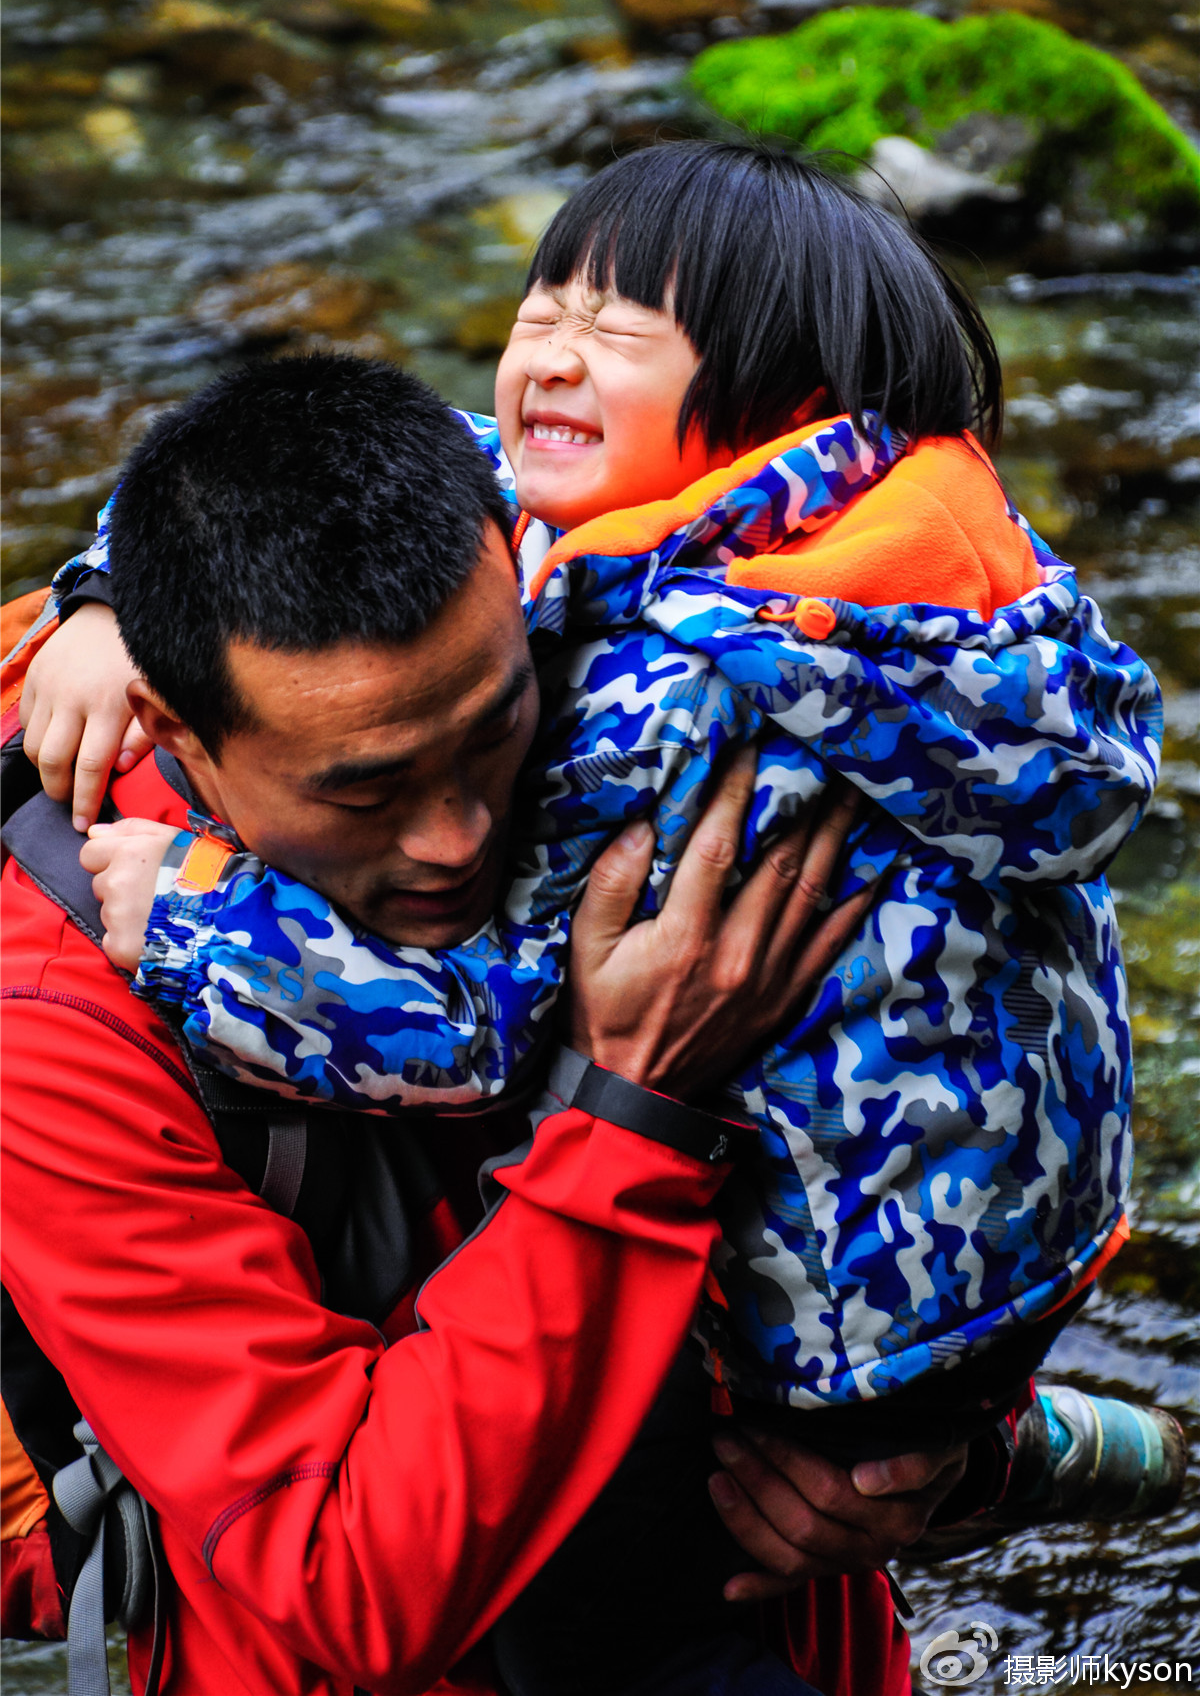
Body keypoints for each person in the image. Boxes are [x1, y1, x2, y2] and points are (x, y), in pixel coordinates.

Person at [1, 364, 959, 1696]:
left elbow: (937, 1092)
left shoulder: (641, 681)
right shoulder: (55, 1012)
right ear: (181, 737)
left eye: (490, 729)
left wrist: (928, 1447)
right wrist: (630, 1110)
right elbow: (343, 1581)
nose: (457, 835)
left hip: (780, 1623)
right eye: (368, 790)